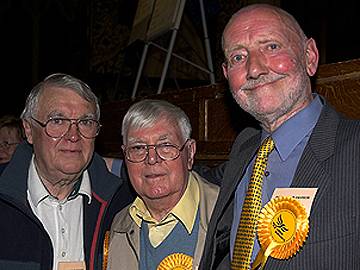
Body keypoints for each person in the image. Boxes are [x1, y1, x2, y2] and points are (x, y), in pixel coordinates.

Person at [199, 4, 360, 269]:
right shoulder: (246, 148)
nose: (254, 69)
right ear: (227, 76)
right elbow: (195, 174)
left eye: (271, 47)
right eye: (238, 57)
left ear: (309, 56)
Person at [0, 73, 134, 270]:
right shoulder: (5, 200)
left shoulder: (123, 204)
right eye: (57, 121)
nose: (73, 135)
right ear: (28, 130)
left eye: (85, 122)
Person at [107, 99, 219, 270]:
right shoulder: (119, 225)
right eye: (138, 148)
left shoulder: (226, 215)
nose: (151, 159)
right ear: (125, 155)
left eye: (165, 146)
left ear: (189, 153)